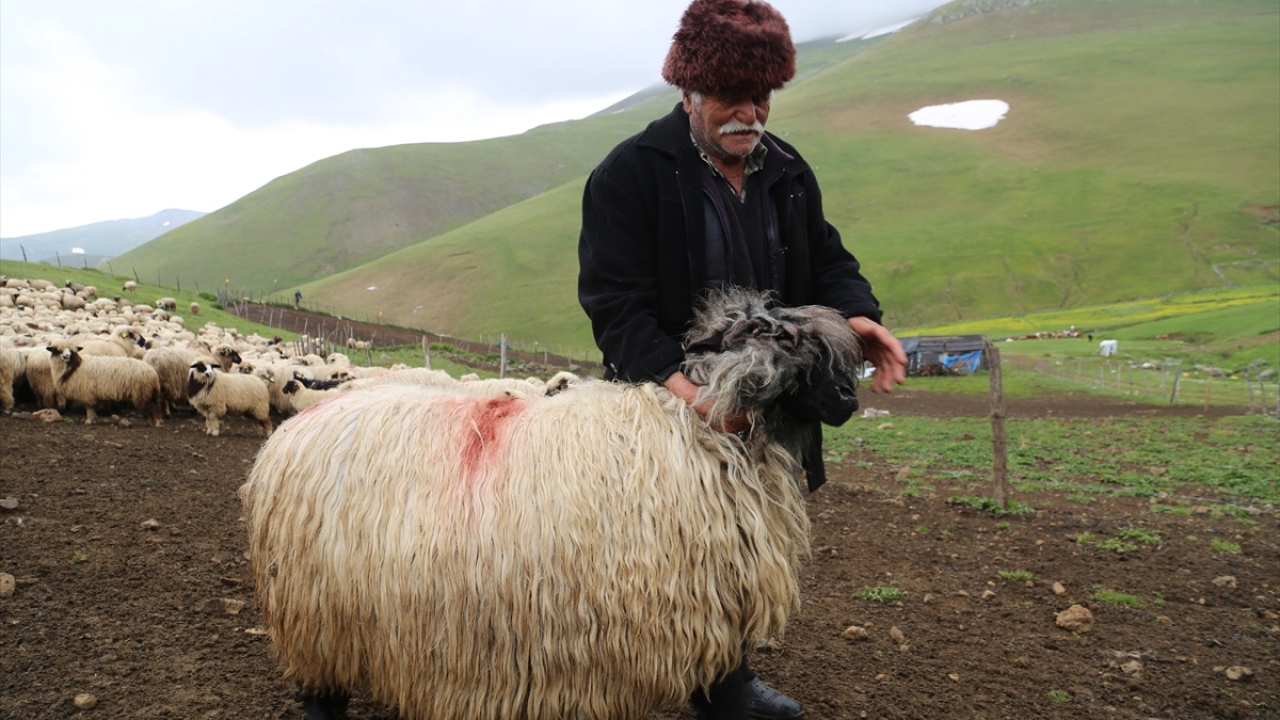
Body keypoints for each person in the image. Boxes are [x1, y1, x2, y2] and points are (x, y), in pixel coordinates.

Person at [577, 0, 907, 718]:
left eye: (761, 97)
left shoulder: (786, 171)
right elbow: (614, 304)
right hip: (663, 406)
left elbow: (829, 261)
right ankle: (615, 673)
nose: (749, 113)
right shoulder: (630, 175)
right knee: (654, 550)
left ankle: (725, 682)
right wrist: (689, 395)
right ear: (689, 91)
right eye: (731, 95)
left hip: (767, 401)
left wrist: (859, 319)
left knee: (739, 546)